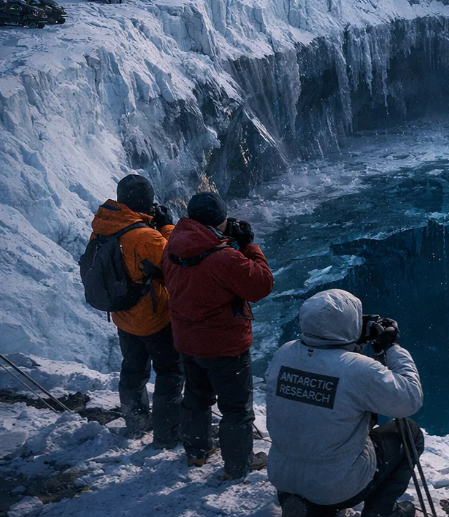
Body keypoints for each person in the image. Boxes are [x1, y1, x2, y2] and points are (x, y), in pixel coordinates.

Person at [266, 289, 424, 517]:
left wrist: (351, 340)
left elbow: (328, 367)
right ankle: (382, 511)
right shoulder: (359, 370)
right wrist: (391, 348)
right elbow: (409, 399)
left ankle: (303, 502)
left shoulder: (285, 354)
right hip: (335, 485)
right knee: (410, 433)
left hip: (282, 474)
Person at [162, 191, 274, 480]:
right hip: (224, 346)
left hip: (188, 340)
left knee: (196, 398)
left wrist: (227, 242)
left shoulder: (173, 244)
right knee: (236, 409)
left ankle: (197, 452)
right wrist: (249, 246)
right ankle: (237, 465)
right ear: (219, 220)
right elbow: (261, 285)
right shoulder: (222, 258)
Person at [85, 174, 182, 447]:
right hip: (154, 319)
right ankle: (166, 434)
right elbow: (173, 264)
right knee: (170, 373)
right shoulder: (145, 237)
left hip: (123, 317)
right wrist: (166, 227)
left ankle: (136, 423)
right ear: (146, 202)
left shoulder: (102, 228)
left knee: (132, 371)